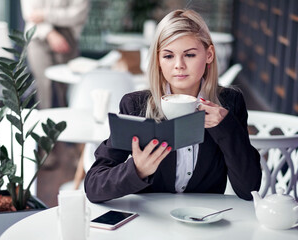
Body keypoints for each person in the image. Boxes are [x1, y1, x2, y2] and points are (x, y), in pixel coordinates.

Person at [84, 9, 261, 202]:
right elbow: (94, 185)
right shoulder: (136, 106)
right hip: (151, 222)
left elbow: (248, 189)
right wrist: (137, 170)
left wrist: (226, 127)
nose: (179, 65)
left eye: (190, 55)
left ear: (209, 55)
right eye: (168, 56)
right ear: (158, 60)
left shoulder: (230, 103)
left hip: (205, 222)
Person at [20, 0, 90, 108]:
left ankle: (66, 122)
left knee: (65, 89)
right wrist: (50, 33)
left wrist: (45, 15)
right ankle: (45, 122)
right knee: (44, 87)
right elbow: (30, 13)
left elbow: (78, 14)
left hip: (67, 38)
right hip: (37, 35)